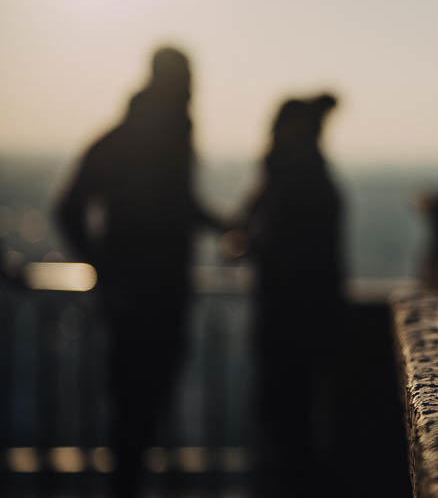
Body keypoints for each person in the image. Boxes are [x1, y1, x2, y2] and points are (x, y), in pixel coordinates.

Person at [55, 46, 221, 497]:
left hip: (147, 299)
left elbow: (180, 207)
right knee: (137, 415)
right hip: (145, 301)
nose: (192, 93)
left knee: (139, 412)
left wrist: (106, 269)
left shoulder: (130, 140)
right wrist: (108, 271)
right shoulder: (141, 141)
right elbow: (70, 208)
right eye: (187, 82)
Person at [243, 93, 346, 493]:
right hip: (310, 319)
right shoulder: (311, 176)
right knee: (301, 427)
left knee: (284, 424)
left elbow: (257, 239)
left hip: (283, 321)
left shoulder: (283, 178)